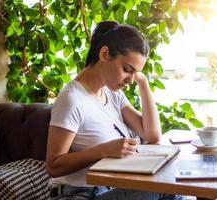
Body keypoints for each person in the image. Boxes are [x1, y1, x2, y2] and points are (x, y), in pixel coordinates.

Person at [46, 21, 182, 200]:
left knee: (168, 185)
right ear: (104, 54)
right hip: (78, 195)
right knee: (163, 187)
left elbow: (152, 135)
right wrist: (102, 150)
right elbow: (54, 166)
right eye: (127, 69)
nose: (130, 80)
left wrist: (143, 83)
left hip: (109, 190)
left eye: (136, 73)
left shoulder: (112, 94)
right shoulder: (72, 99)